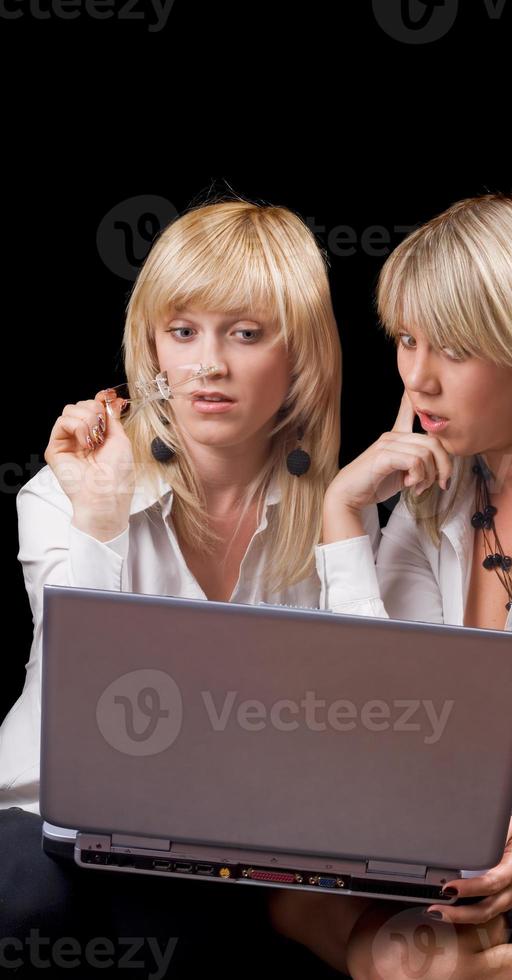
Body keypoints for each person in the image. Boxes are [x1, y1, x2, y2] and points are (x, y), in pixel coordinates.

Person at [267, 191, 512, 979]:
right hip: (480, 835)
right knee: (287, 897)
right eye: (407, 341)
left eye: (453, 350)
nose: (418, 379)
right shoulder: (437, 491)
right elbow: (382, 719)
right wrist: (342, 514)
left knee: (414, 954)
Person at [0, 196, 379, 978]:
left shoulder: (337, 514)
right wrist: (102, 515)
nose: (209, 364)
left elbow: (364, 719)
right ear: (154, 349)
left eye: (244, 333)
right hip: (43, 820)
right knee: (31, 903)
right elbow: (91, 696)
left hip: (224, 841)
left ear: (299, 354)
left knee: (205, 931)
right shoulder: (57, 496)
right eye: (183, 332)